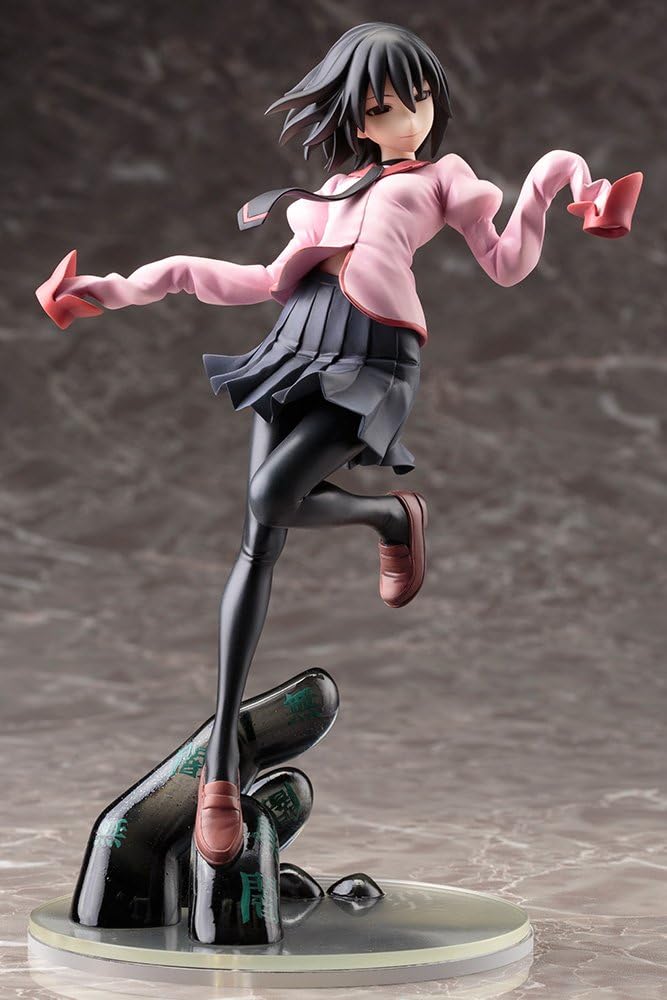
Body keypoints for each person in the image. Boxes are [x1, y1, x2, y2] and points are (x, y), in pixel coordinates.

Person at [35, 22, 642, 868]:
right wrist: (123, 287)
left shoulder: (443, 178)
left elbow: (505, 262)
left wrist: (554, 179)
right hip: (291, 348)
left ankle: (389, 517)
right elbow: (255, 279)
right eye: (388, 107)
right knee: (257, 543)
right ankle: (218, 776)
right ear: (357, 116)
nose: (410, 119)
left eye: (419, 99)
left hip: (370, 356)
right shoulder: (329, 189)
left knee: (269, 496)